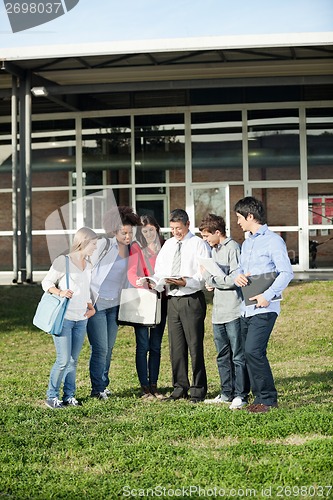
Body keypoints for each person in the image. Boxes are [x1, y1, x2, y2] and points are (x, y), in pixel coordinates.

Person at [234, 197, 294, 413]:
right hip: (246, 308)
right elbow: (240, 270)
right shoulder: (247, 242)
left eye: (240, 218)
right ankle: (258, 398)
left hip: (265, 307)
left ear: (250, 216)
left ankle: (267, 399)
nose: (238, 222)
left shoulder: (273, 241)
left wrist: (267, 294)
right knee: (250, 353)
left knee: (253, 351)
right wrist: (238, 277)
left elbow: (286, 272)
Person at [153, 208, 210, 403]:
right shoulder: (168, 245)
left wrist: (186, 282)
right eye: (172, 228)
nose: (176, 232)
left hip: (191, 299)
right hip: (173, 300)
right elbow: (159, 268)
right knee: (176, 347)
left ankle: (198, 389)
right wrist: (158, 281)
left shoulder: (199, 245)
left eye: (179, 228)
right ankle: (179, 387)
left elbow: (204, 275)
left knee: (194, 346)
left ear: (187, 225)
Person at [87, 206, 141, 400]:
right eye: (123, 233)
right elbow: (87, 269)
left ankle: (103, 384)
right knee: (100, 348)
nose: (128, 236)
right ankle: (97, 389)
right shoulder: (104, 245)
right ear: (114, 231)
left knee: (109, 348)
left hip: (115, 305)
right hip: (97, 305)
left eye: (130, 232)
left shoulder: (131, 249)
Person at [42, 227, 98, 409]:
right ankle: (51, 397)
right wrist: (60, 292)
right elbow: (46, 283)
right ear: (84, 242)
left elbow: (86, 289)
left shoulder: (88, 265)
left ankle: (69, 396)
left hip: (81, 319)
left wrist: (91, 308)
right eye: (94, 244)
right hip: (64, 318)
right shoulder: (63, 261)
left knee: (73, 360)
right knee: (63, 360)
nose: (95, 247)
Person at [199, 214, 249, 410]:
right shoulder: (214, 250)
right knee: (222, 355)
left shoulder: (233, 248)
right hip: (218, 312)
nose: (205, 240)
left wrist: (212, 281)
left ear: (217, 232)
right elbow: (215, 277)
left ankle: (241, 395)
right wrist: (212, 282)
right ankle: (226, 393)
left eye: (206, 236)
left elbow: (236, 279)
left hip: (234, 311)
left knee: (238, 355)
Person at [127, 214, 167, 400]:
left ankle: (154, 385)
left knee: (156, 346)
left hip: (162, 299)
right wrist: (143, 284)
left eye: (152, 229)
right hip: (144, 299)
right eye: (145, 231)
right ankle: (144, 387)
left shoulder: (166, 245)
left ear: (157, 229)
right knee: (143, 345)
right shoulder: (136, 247)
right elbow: (131, 272)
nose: (149, 233)